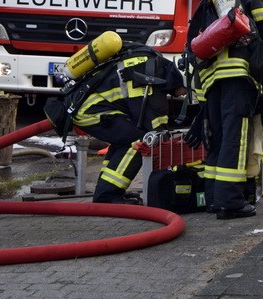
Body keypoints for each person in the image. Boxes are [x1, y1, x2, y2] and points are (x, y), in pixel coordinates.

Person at [186, 0, 263, 219]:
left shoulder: (207, 2)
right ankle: (231, 202)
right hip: (238, 75)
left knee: (219, 137)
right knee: (236, 138)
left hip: (212, 79)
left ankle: (213, 197)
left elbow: (193, 43)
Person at [73, 45, 184, 205]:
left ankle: (106, 191)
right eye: (186, 89)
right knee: (139, 142)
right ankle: (107, 196)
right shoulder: (150, 80)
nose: (185, 94)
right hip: (91, 110)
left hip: (90, 106)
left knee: (125, 139)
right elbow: (154, 132)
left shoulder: (154, 67)